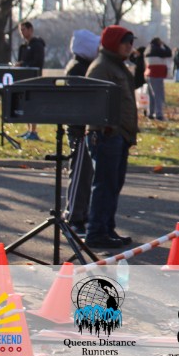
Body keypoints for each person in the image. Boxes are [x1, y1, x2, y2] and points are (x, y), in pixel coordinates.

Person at [83, 25, 138, 250]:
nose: (129, 46)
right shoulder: (101, 67)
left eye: (131, 42)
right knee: (104, 185)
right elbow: (94, 100)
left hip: (119, 134)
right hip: (106, 134)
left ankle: (106, 228)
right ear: (114, 43)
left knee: (113, 185)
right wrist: (105, 129)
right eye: (125, 42)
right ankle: (96, 232)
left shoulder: (117, 66)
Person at [63, 29, 99, 237]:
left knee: (84, 174)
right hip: (79, 128)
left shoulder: (80, 66)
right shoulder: (78, 68)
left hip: (81, 126)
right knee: (79, 173)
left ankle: (80, 214)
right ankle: (74, 217)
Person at [17, 21, 45, 140]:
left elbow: (38, 62)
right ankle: (28, 129)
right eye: (21, 30)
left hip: (34, 79)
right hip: (23, 79)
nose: (22, 32)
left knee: (32, 104)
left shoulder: (37, 45)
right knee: (25, 104)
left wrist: (24, 65)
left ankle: (34, 130)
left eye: (24, 29)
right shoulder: (23, 47)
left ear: (30, 30)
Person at [144, 37, 173, 120]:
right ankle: (159, 114)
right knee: (158, 95)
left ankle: (150, 112)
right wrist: (164, 45)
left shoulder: (147, 50)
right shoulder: (158, 49)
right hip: (157, 74)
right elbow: (169, 53)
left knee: (151, 95)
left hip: (149, 74)